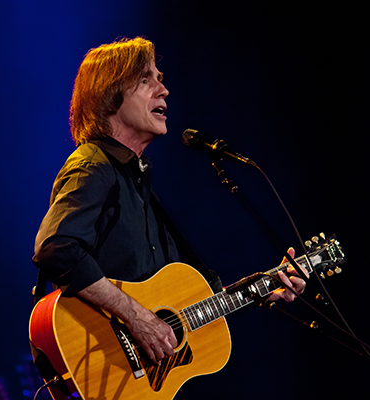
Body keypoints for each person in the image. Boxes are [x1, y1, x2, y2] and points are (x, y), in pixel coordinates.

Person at [32, 36, 308, 397]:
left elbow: (179, 308)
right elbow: (56, 248)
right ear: (109, 93)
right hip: (101, 370)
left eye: (160, 80)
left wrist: (264, 288)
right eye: (146, 79)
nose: (164, 90)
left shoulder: (137, 181)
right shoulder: (93, 165)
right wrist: (137, 318)